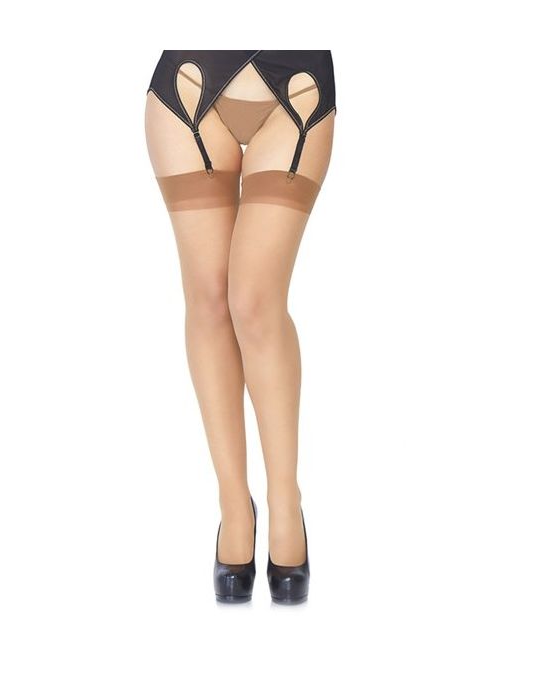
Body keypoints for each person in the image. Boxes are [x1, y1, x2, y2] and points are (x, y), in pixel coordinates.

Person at [144, 51, 336, 604]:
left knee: (254, 301)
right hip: (188, 85)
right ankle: (234, 506)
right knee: (208, 299)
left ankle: (285, 502)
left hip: (296, 86)